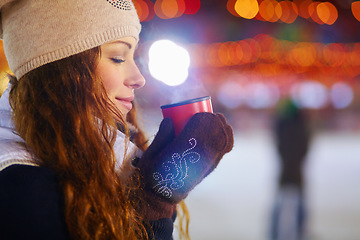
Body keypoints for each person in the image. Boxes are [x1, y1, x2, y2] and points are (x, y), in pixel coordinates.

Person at [0, 0, 234, 239]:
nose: (139, 78)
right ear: (62, 70)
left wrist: (163, 186)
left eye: (134, 56)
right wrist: (154, 203)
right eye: (118, 58)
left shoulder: (92, 150)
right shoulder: (22, 188)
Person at [270, 99, 310, 240]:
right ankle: (299, 232)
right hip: (295, 171)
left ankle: (274, 233)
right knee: (298, 203)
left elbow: (280, 147)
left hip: (287, 170)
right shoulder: (301, 127)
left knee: (280, 204)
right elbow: (305, 148)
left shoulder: (282, 127)